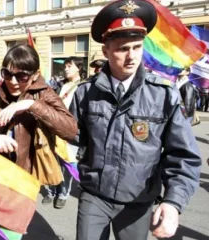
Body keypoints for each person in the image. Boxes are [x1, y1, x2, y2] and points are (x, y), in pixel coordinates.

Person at [70, 1, 201, 239]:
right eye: (122, 49)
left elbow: (183, 155)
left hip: (138, 200)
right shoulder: (85, 93)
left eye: (137, 47)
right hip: (94, 195)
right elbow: (72, 136)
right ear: (106, 51)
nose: (131, 56)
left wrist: (173, 202)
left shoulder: (163, 94)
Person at [0, 44, 77, 175]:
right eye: (7, 74)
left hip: (23, 179)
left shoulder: (44, 94)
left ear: (36, 75)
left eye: (21, 76)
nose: (13, 81)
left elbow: (71, 130)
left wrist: (32, 104)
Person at [42, 56, 83, 209]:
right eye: (65, 66)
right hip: (53, 129)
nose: (66, 69)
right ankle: (52, 190)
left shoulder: (83, 87)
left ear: (78, 68)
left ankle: (63, 193)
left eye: (69, 66)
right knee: (52, 161)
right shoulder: (59, 85)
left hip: (70, 131)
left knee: (67, 163)